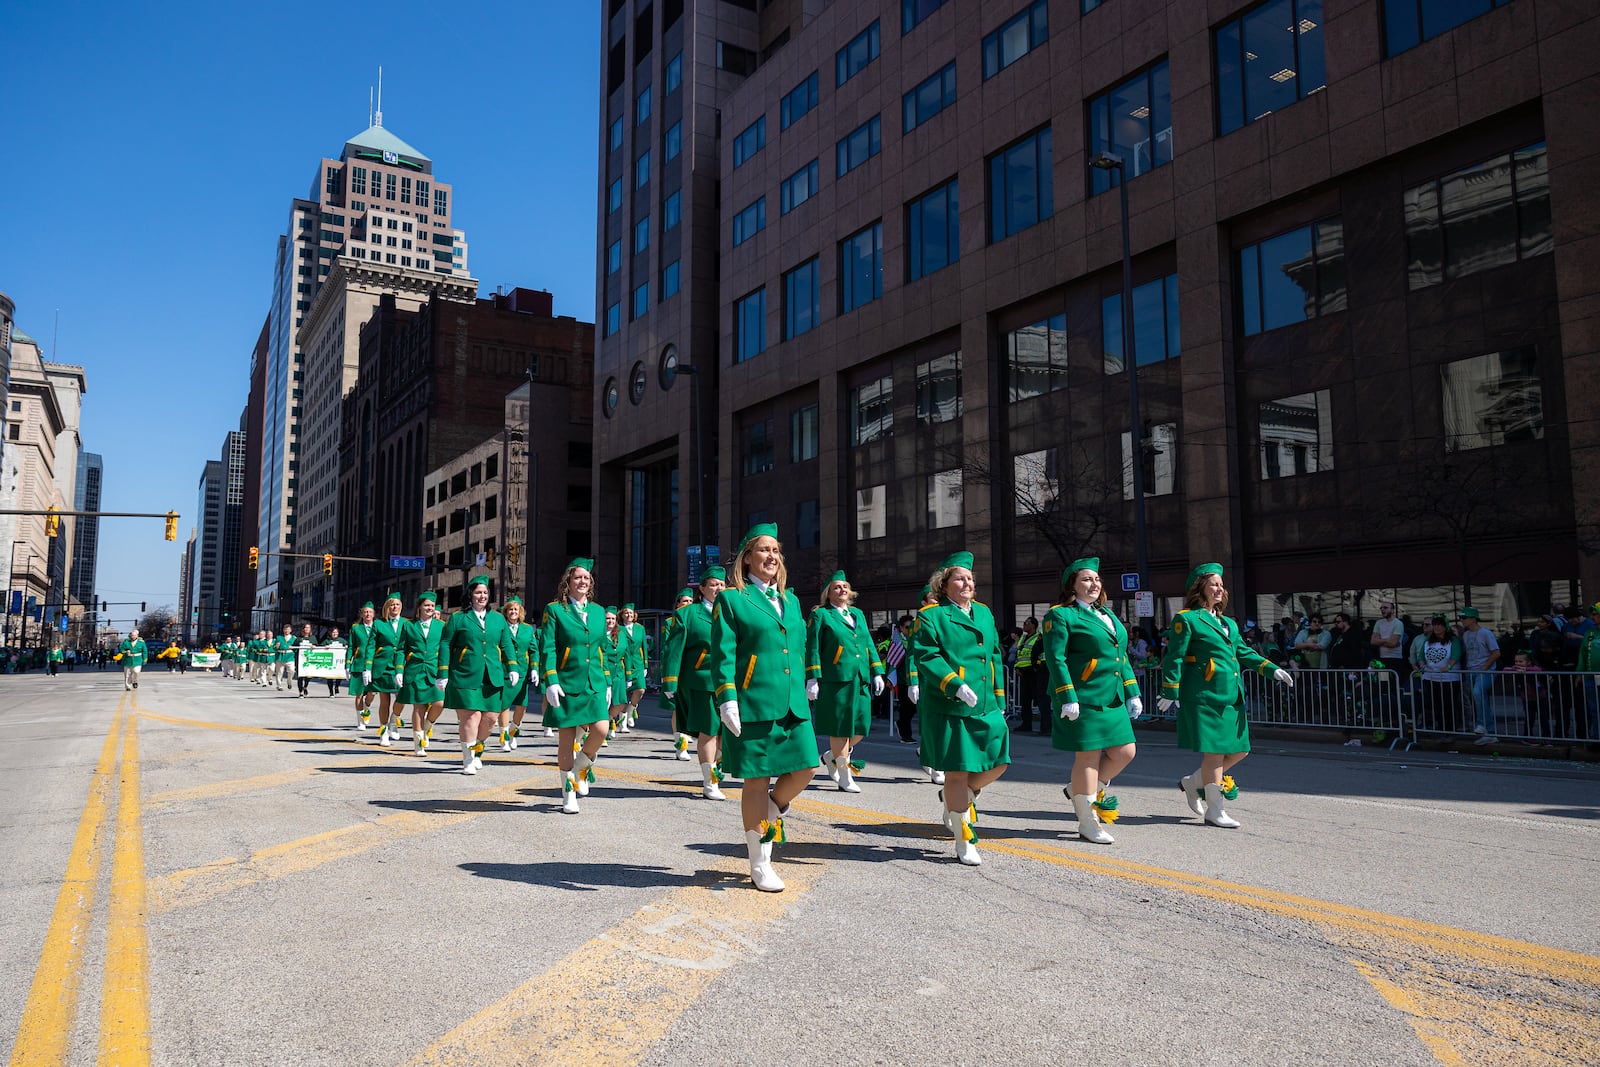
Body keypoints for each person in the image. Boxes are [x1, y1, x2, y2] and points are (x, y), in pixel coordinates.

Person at [710, 524, 819, 891]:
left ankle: (772, 807)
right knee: (755, 781)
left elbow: (798, 649)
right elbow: (723, 654)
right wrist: (727, 698)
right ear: (747, 559)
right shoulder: (732, 599)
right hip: (753, 701)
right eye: (763, 550)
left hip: (791, 703)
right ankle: (760, 863)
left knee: (807, 768)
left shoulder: (791, 601)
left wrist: (809, 680)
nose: (771, 556)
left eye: (776, 550)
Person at [1158, 563, 1295, 828]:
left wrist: (1271, 669)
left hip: (1231, 695)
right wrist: (1170, 689)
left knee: (1240, 750)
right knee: (1215, 754)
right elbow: (1174, 656)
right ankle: (1215, 809)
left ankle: (1192, 783)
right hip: (1204, 695)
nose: (1219, 588)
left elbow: (1243, 652)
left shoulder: (1228, 623)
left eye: (1221, 584)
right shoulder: (1187, 619)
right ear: (1200, 588)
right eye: (1214, 584)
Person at [910, 550, 1010, 866]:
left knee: (999, 761)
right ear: (944, 584)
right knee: (957, 772)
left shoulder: (983, 612)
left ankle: (958, 801)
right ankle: (963, 836)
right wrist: (954, 683)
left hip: (985, 702)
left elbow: (994, 656)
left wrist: (1000, 698)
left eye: (970, 578)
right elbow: (927, 656)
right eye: (959, 578)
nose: (966, 582)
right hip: (950, 703)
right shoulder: (931, 615)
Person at [1041, 557, 1141, 845]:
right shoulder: (1061, 615)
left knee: (1125, 752)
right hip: (1082, 697)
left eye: (1096, 579)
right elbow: (1056, 658)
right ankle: (1088, 820)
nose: (1094, 583)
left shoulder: (1105, 615)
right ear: (1072, 584)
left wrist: (1132, 690)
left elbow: (1119, 656)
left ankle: (1080, 790)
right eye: (1086, 579)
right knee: (1088, 757)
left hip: (1111, 697)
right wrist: (1067, 696)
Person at [538, 559, 612, 811]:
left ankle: (581, 766)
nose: (583, 581)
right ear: (568, 582)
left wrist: (608, 681)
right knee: (566, 740)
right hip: (567, 681)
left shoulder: (599, 612)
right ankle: (567, 794)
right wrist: (551, 679)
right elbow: (547, 647)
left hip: (594, 681)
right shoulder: (555, 610)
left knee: (601, 729)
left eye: (587, 578)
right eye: (578, 577)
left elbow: (602, 648)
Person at [804, 570, 885, 794]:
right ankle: (844, 773)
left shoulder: (857, 613)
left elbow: (868, 643)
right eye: (836, 587)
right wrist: (813, 678)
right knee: (840, 728)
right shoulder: (821, 615)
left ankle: (832, 756)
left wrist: (877, 671)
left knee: (861, 725)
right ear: (828, 593)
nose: (842, 590)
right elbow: (813, 648)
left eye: (845, 586)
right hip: (835, 679)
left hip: (860, 677)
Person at [437, 576, 520, 775]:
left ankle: (477, 751)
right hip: (465, 673)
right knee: (471, 717)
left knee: (491, 718)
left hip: (492, 675)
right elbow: (446, 644)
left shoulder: (498, 619)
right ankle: (467, 758)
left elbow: (506, 644)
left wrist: (513, 667)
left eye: (485, 592)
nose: (482, 596)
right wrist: (443, 672)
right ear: (470, 595)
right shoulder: (458, 618)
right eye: (478, 592)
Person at [661, 566, 728, 799]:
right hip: (701, 680)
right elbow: (673, 650)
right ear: (702, 589)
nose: (718, 588)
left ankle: (716, 769)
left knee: (725, 733)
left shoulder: (732, 612)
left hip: (730, 682)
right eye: (713, 584)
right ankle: (710, 782)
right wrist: (670, 682)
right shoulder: (688, 614)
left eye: (721, 584)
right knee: (709, 731)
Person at [398, 592, 447, 755]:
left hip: (434, 671)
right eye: (426, 605)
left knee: (439, 704)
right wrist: (399, 670)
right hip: (415, 670)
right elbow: (400, 649)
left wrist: (445, 671)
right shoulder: (408, 625)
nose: (430, 608)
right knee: (419, 707)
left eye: (432, 606)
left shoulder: (441, 625)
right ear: (419, 607)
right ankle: (419, 743)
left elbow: (445, 648)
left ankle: (427, 726)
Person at [365, 595, 408, 747]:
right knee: (385, 701)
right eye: (391, 605)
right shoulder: (379, 624)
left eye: (397, 604)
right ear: (386, 607)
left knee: (402, 697)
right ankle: (383, 732)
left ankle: (394, 720)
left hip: (400, 666)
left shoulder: (407, 623)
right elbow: (371, 646)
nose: (394, 607)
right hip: (383, 666)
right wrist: (368, 667)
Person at [659, 586, 696, 758]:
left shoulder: (698, 619)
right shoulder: (669, 623)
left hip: (696, 671)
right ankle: (680, 746)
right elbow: (668, 650)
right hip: (678, 671)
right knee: (678, 710)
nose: (688, 604)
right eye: (684, 601)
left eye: (690, 601)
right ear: (678, 604)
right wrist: (667, 675)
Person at [1410, 614, 1463, 733]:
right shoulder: (1428, 641)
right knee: (1437, 705)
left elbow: (1456, 654)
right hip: (1431, 678)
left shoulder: (1452, 640)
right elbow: (1420, 656)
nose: (1437, 627)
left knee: (1448, 705)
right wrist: (1422, 665)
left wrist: (1448, 666)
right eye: (1435, 625)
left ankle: (1450, 730)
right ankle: (1441, 729)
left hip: (1449, 679)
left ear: (1445, 627)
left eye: (1440, 625)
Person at [1457, 607, 1501, 744]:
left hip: (1484, 670)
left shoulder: (1485, 633)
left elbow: (1496, 652)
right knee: (1479, 698)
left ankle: (1483, 725)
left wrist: (1484, 667)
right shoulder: (1465, 635)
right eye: (1461, 618)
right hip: (1471, 670)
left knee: (1478, 693)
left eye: (1464, 618)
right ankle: (1489, 731)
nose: (1462, 621)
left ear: (1473, 619)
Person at [617, 603, 648, 730]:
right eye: (626, 613)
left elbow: (644, 646)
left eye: (631, 613)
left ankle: (631, 708)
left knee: (640, 690)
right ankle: (622, 721)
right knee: (624, 693)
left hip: (638, 663)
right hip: (624, 663)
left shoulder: (640, 628)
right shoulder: (618, 628)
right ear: (622, 615)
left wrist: (645, 664)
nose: (629, 615)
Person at [1012, 617, 1045, 734]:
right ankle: (1026, 724)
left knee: (1039, 698)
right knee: (1024, 700)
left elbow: (1038, 652)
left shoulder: (1038, 637)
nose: (1024, 625)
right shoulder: (1023, 638)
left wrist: (1036, 667)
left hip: (1033, 672)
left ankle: (1044, 726)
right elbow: (1019, 654)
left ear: (1033, 625)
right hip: (1023, 672)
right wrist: (1017, 667)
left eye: (1026, 623)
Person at [349, 604, 376, 728]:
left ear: (374, 614)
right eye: (365, 612)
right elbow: (351, 646)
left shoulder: (378, 627)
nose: (368, 614)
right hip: (359, 663)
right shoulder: (356, 628)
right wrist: (347, 663)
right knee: (359, 693)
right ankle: (360, 720)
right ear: (361, 614)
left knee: (372, 692)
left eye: (370, 612)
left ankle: (367, 706)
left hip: (374, 664)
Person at [1370, 601, 1408, 683]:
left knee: (1395, 684)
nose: (1382, 609)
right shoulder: (1378, 623)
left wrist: (1380, 641)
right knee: (1384, 684)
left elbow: (1393, 643)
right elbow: (1373, 641)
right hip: (1382, 659)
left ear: (1392, 610)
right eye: (1381, 608)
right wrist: (1387, 640)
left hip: (1395, 659)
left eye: (1385, 608)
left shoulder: (1398, 623)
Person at [293, 623, 317, 697]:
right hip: (300, 660)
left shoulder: (313, 638)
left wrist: (314, 646)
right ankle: (300, 692)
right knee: (300, 676)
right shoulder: (298, 639)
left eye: (308, 627)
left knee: (309, 675)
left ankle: (305, 686)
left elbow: (317, 647)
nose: (307, 629)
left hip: (309, 660)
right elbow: (294, 648)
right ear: (303, 629)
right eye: (305, 627)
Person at [322, 626, 345, 697]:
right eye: (333, 632)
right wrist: (325, 647)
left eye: (336, 632)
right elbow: (320, 647)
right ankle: (331, 692)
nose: (335, 634)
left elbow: (348, 645)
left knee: (339, 675)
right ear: (330, 633)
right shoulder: (327, 641)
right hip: (330, 662)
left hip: (338, 662)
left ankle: (337, 686)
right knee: (330, 677)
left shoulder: (341, 640)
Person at [273, 623, 297, 691]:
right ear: (283, 630)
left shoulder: (294, 638)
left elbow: (296, 647)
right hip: (281, 656)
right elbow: (274, 647)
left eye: (288, 629)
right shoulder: (279, 637)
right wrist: (276, 646)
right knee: (279, 672)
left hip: (290, 656)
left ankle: (289, 681)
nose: (286, 631)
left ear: (290, 630)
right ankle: (279, 685)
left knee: (292, 670)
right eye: (285, 629)